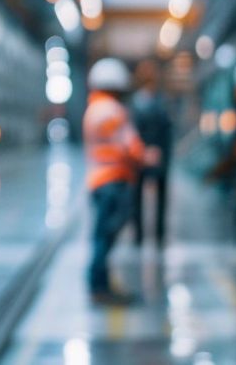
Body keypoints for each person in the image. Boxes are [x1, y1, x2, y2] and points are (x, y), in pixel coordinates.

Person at [83, 58, 158, 305]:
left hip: (96, 180)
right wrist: (148, 155)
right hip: (114, 181)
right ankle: (99, 286)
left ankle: (99, 284)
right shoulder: (114, 111)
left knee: (101, 235)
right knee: (105, 237)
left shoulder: (92, 110)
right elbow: (130, 146)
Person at [130, 59, 173, 246]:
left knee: (138, 197)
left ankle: (140, 236)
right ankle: (157, 236)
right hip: (153, 154)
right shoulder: (160, 102)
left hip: (143, 155)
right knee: (156, 197)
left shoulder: (137, 103)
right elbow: (167, 129)